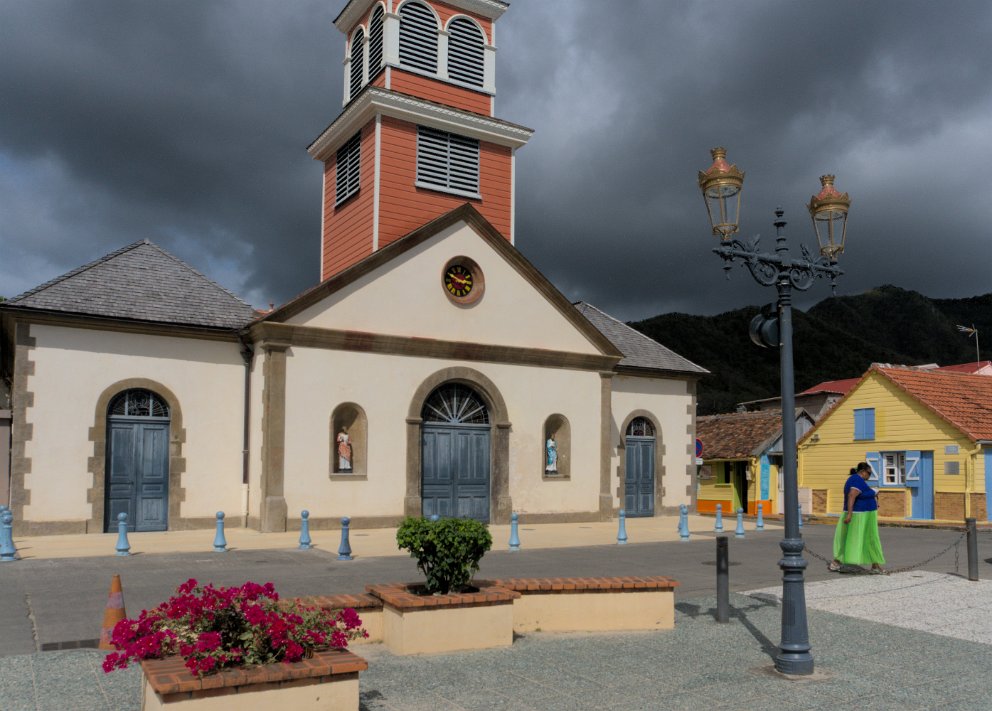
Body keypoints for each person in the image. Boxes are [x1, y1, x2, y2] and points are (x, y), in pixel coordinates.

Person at [829, 461, 885, 573]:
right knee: (855, 538)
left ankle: (875, 565)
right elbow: (851, 496)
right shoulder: (856, 480)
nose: (869, 476)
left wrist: (872, 494)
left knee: (869, 538)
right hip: (859, 515)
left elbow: (861, 495)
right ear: (863, 472)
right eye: (869, 473)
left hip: (866, 514)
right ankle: (836, 562)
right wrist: (849, 514)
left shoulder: (858, 480)